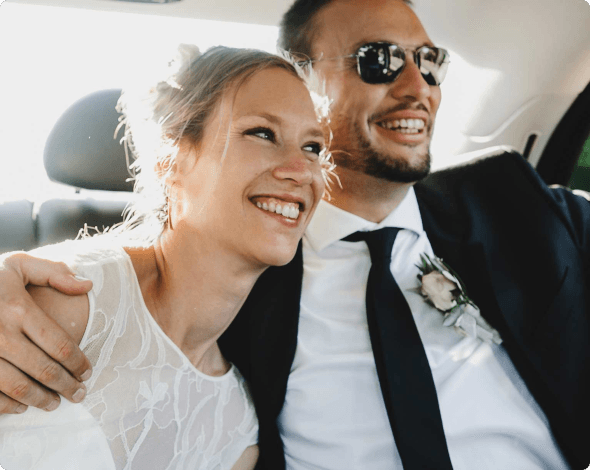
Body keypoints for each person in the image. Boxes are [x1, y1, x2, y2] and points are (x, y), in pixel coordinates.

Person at [0, 0, 588, 469]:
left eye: (432, 62)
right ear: (305, 82)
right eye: (379, 59)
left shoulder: (521, 206)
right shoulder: (240, 277)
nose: (418, 86)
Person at [0, 44, 331, 470]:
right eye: (262, 133)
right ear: (170, 156)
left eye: (313, 148)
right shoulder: (60, 305)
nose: (301, 170)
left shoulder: (235, 429)